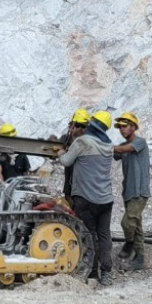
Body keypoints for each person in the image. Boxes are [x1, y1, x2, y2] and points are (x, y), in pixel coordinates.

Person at [57, 110, 114, 286]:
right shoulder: (109, 146)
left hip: (86, 199)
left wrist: (60, 152)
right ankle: (106, 273)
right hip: (106, 199)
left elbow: (66, 161)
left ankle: (91, 272)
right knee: (104, 235)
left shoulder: (82, 142)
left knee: (89, 235)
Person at [113, 112, 151, 270]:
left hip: (139, 191)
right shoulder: (123, 147)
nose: (122, 129)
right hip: (128, 191)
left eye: (125, 126)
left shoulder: (140, 143)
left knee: (127, 223)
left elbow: (123, 149)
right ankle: (140, 258)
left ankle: (129, 243)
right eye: (120, 127)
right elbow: (114, 154)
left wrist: (109, 147)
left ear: (133, 127)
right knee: (137, 225)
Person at [57, 109, 90, 197]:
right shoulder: (65, 139)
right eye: (78, 125)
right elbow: (56, 146)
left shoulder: (89, 142)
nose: (80, 129)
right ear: (71, 126)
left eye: (83, 126)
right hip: (70, 188)